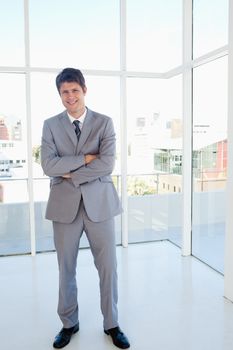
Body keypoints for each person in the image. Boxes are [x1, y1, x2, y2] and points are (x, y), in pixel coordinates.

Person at [41, 68, 130, 349]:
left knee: (108, 267)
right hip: (64, 207)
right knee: (65, 268)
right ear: (60, 94)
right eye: (65, 92)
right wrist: (86, 159)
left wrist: (68, 172)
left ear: (84, 90)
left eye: (74, 90)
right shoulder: (50, 125)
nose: (70, 96)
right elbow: (47, 165)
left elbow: (107, 164)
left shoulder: (104, 123)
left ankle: (112, 323)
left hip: (99, 206)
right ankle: (69, 323)